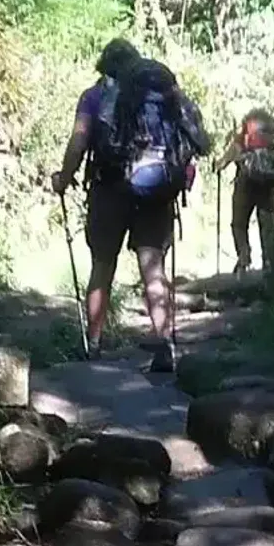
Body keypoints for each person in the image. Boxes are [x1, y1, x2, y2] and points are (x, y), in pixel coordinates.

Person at [51, 38, 211, 372]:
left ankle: (93, 344)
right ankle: (165, 343)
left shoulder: (94, 97)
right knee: (153, 270)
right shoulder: (162, 95)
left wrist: (64, 178)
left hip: (110, 188)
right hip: (157, 189)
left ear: (104, 68)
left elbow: (80, 139)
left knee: (102, 265)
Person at [213, 106, 274, 276]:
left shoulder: (242, 138)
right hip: (268, 186)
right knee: (268, 227)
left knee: (239, 224)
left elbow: (225, 160)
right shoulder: (273, 136)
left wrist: (218, 164)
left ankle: (244, 256)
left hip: (245, 184)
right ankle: (270, 265)